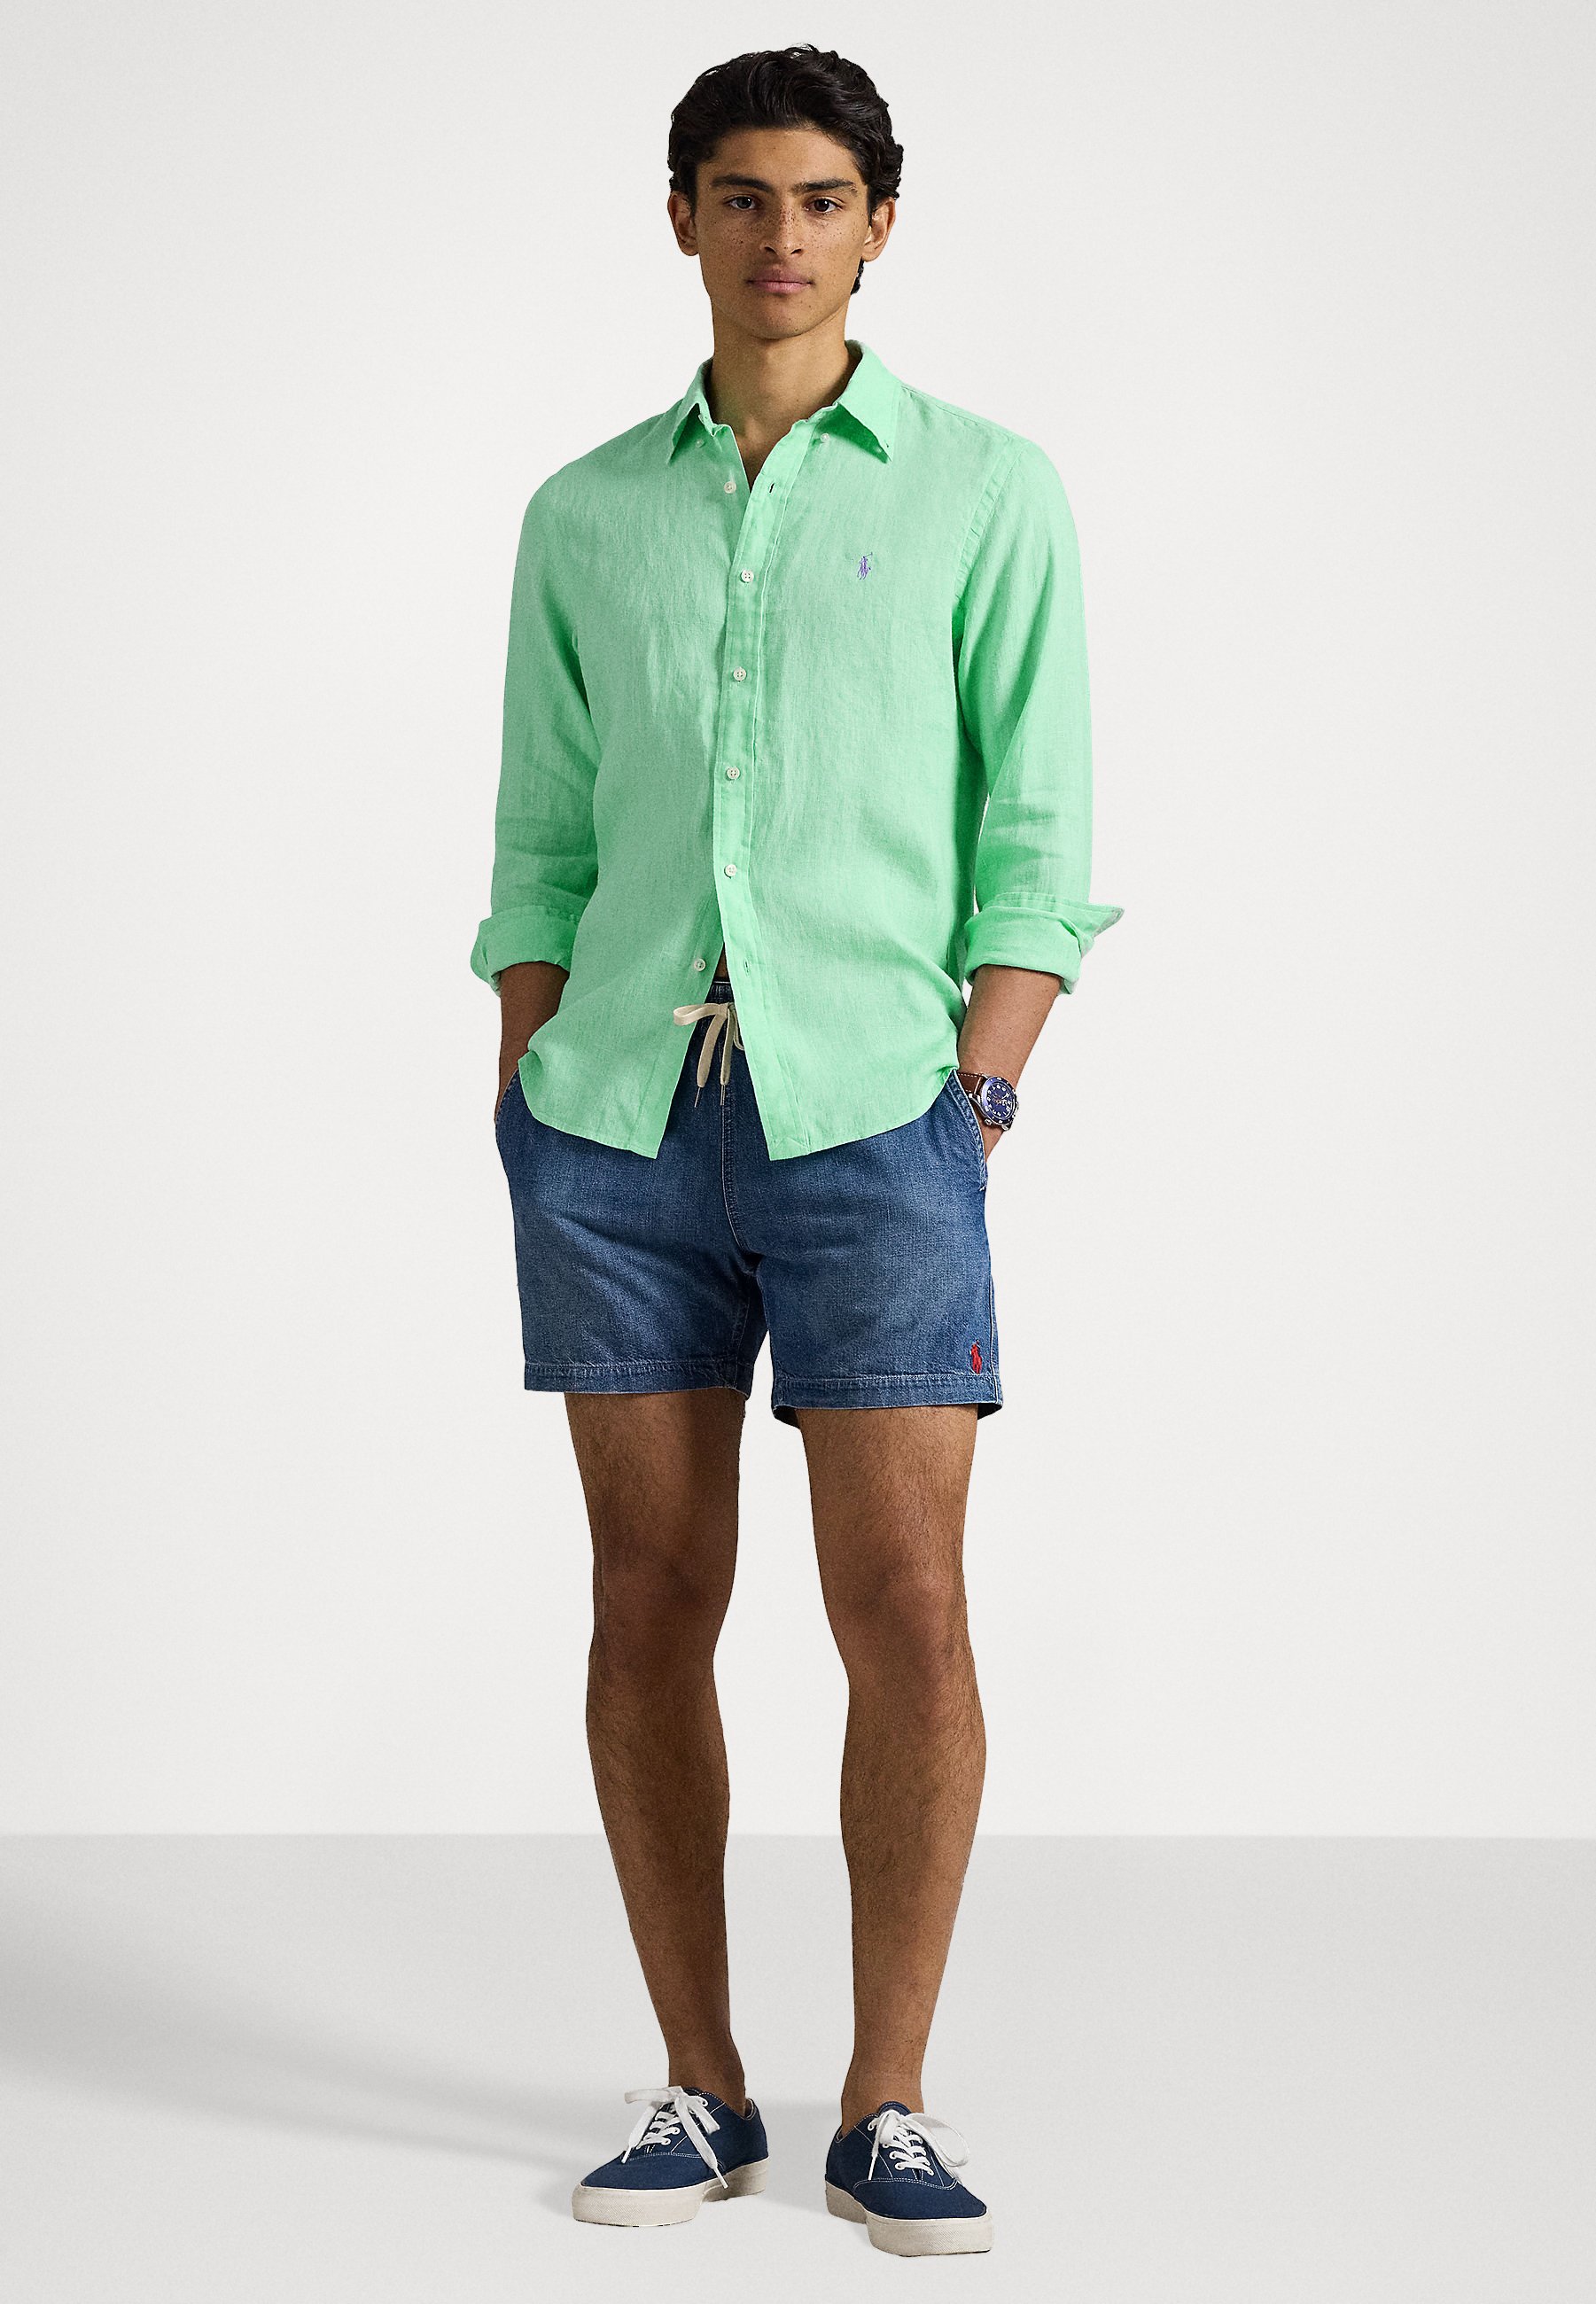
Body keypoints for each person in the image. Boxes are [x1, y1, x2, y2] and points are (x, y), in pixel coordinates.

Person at [470, 42, 1122, 2259]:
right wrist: (528, 1067)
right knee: (648, 1599)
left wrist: (981, 1090)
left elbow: (1038, 831)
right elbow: (542, 833)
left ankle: (888, 2104)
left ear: (879, 226)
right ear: (680, 218)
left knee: (905, 1608)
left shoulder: (984, 489)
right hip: (614, 1129)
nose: (780, 237)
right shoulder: (585, 514)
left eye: (822, 200)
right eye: (740, 197)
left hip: (877, 1118)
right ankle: (700, 2083)